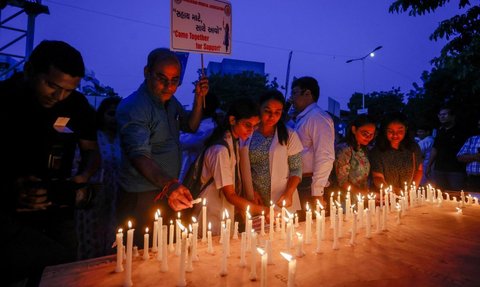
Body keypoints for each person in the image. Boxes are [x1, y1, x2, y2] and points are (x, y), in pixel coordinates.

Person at [0, 40, 100, 286]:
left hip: (58, 207)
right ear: (30, 70)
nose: (59, 96)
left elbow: (91, 152)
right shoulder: (5, 99)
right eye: (52, 86)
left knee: (63, 271)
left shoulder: (77, 105)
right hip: (9, 213)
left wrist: (81, 179)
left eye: (68, 89)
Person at [116, 48, 208, 245]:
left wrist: (199, 98)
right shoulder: (135, 107)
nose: (168, 86)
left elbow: (190, 126)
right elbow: (139, 156)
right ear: (146, 72)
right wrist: (170, 185)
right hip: (141, 195)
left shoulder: (170, 102)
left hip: (165, 190)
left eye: (175, 80)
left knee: (163, 249)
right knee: (138, 254)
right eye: (162, 78)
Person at [194, 98, 266, 235]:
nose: (251, 131)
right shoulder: (220, 150)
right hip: (210, 215)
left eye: (255, 126)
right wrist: (264, 210)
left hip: (221, 213)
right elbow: (230, 195)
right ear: (233, 120)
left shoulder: (234, 142)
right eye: (247, 125)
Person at [240, 90, 303, 214]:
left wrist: (288, 193)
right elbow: (241, 168)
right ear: (259, 108)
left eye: (277, 113)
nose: (272, 116)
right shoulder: (247, 133)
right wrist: (250, 191)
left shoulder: (289, 135)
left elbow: (296, 169)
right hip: (256, 200)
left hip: (282, 199)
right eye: (267, 111)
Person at [76, 96, 122, 259]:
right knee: (90, 233)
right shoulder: (93, 137)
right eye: (111, 114)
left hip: (114, 195)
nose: (115, 118)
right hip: (93, 193)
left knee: (110, 232)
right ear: (102, 114)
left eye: (119, 114)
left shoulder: (120, 140)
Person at [288, 76, 335, 214]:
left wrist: (317, 191)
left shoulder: (317, 118)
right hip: (301, 182)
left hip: (310, 183)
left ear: (307, 93)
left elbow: (325, 155)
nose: (291, 99)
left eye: (294, 93)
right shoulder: (304, 117)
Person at [370, 112, 423, 194]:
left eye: (400, 131)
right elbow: (377, 177)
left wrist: (412, 188)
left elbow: (419, 171)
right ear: (384, 131)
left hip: (409, 195)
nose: (395, 135)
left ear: (406, 129)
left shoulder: (413, 147)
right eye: (390, 131)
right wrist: (391, 191)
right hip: (387, 196)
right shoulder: (378, 151)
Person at [179, 91, 220, 182]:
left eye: (195, 105)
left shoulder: (207, 127)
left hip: (194, 174)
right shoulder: (207, 125)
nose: (193, 108)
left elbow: (183, 142)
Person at [426, 106, 469, 191]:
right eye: (440, 115)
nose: (441, 117)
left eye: (445, 114)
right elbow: (435, 149)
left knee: (456, 195)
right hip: (439, 169)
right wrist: (429, 165)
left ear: (453, 116)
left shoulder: (461, 131)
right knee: (440, 194)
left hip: (456, 170)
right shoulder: (440, 131)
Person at [332, 114, 376, 196]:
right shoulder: (344, 150)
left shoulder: (364, 149)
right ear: (354, 129)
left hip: (362, 198)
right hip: (347, 199)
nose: (368, 137)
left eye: (371, 134)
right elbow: (342, 181)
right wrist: (364, 194)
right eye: (364, 133)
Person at [456, 117, 480, 192]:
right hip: (473, 179)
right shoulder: (472, 139)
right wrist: (475, 157)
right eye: (479, 124)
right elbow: (459, 157)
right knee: (473, 202)